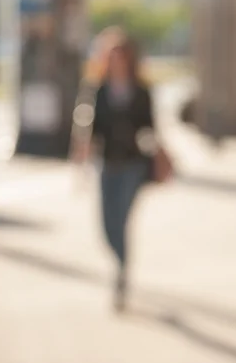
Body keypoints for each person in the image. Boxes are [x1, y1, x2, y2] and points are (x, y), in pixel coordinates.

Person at [90, 39, 155, 311]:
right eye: (111, 56)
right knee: (106, 224)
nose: (116, 61)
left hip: (132, 163)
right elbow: (93, 127)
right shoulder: (100, 90)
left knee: (121, 220)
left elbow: (150, 126)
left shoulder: (141, 91)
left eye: (121, 56)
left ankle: (121, 273)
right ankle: (120, 262)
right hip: (107, 162)